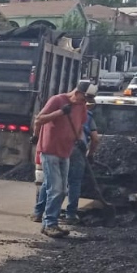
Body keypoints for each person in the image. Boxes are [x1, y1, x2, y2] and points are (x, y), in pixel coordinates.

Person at [32, 80, 90, 238]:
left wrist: (81, 140)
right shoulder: (57, 100)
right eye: (83, 99)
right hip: (49, 150)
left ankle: (52, 222)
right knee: (55, 189)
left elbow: (79, 127)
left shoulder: (81, 106)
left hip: (66, 152)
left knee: (63, 190)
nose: (84, 102)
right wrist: (59, 113)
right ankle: (49, 223)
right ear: (77, 92)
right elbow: (39, 119)